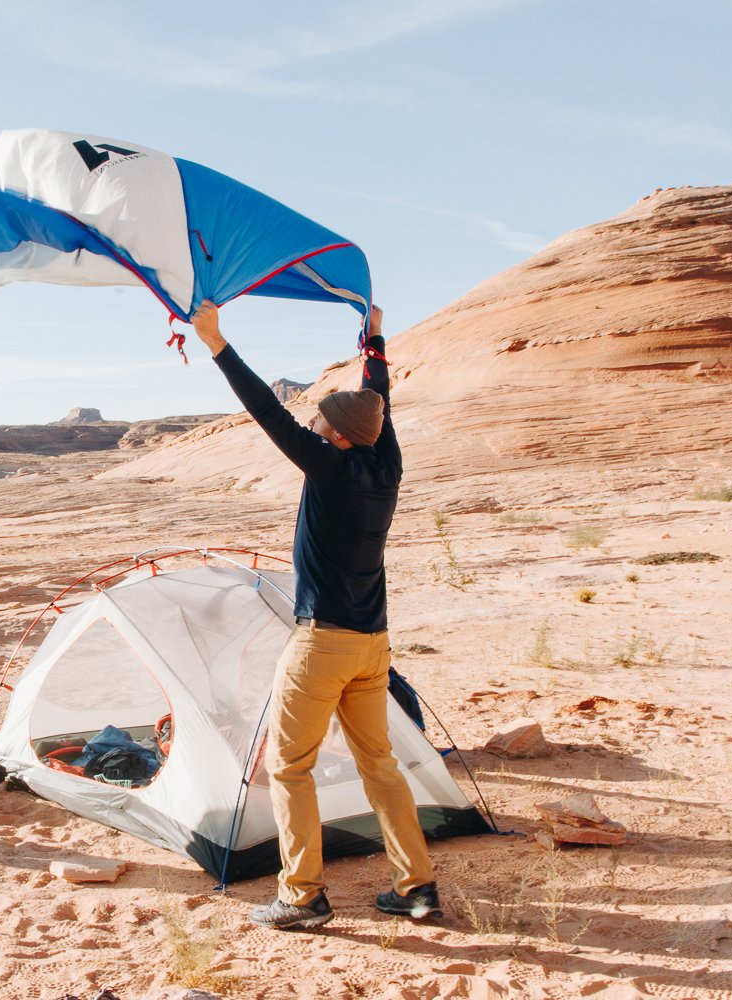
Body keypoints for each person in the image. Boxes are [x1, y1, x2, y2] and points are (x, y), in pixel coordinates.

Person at [190, 301, 441, 930]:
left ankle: (301, 896)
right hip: (372, 644)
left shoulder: (328, 467)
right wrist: (375, 339)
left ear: (333, 434)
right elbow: (378, 399)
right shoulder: (387, 464)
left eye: (320, 418)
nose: (312, 421)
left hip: (323, 643)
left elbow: (266, 411)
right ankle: (417, 888)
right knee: (379, 764)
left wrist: (218, 344)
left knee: (289, 766)